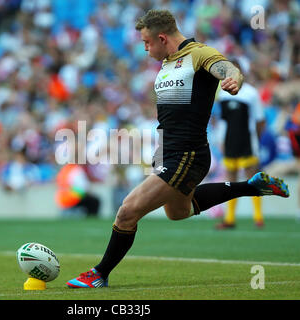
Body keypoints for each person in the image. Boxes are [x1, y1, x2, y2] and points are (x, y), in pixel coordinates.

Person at [66, 9, 289, 288]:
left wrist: (233, 78)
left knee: (127, 211)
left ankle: (99, 273)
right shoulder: (168, 64)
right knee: (178, 212)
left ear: (161, 38)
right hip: (168, 152)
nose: (145, 49)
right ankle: (252, 187)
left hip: (188, 154)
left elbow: (227, 67)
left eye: (147, 43)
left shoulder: (198, 54)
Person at [215, 60, 266, 229]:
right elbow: (223, 121)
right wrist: (221, 140)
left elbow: (260, 121)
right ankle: (229, 219)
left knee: (252, 178)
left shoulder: (251, 93)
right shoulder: (223, 94)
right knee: (231, 181)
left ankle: (258, 217)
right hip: (230, 141)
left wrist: (255, 139)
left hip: (247, 141)